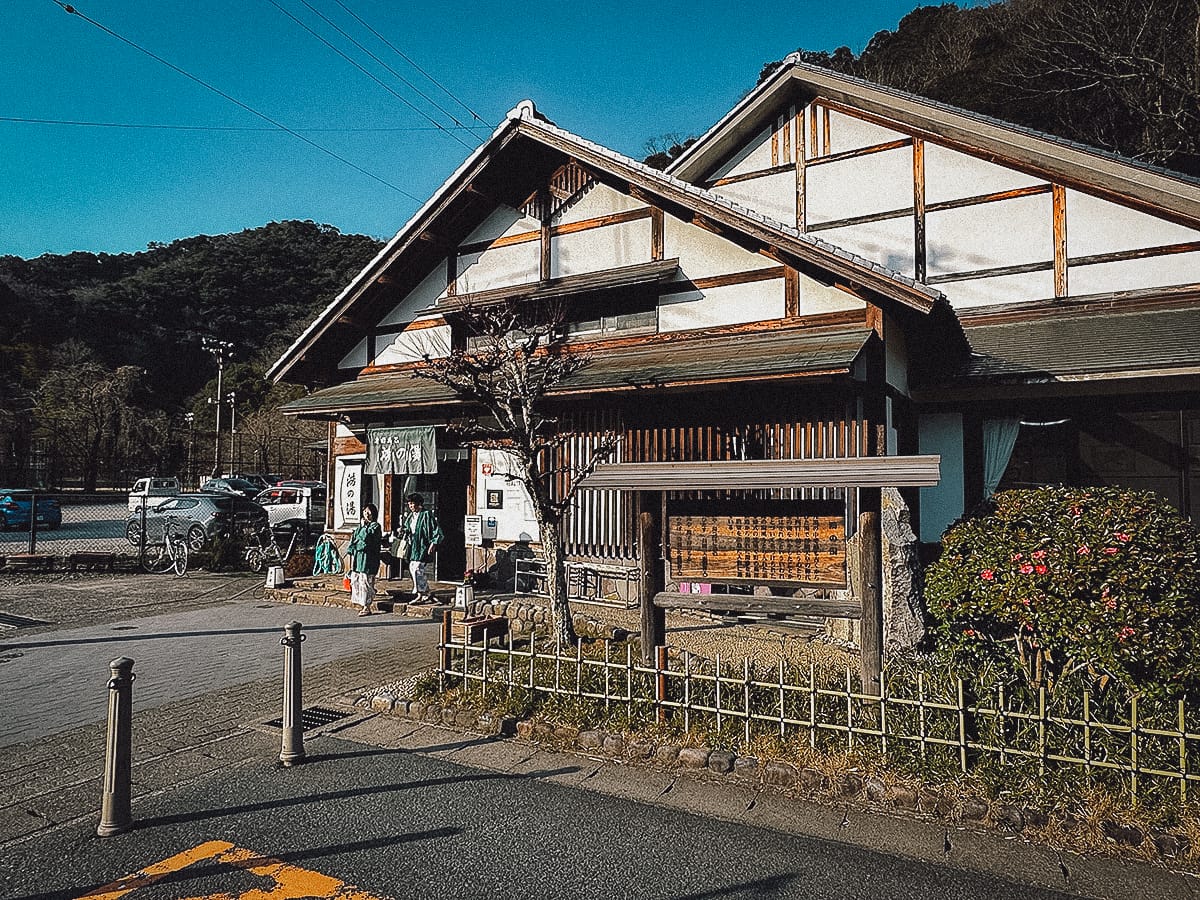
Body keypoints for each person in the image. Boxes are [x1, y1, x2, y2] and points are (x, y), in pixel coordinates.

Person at [398, 493, 444, 604]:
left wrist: (433, 543)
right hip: (413, 544)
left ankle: (421, 593)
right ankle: (425, 592)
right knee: (413, 567)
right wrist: (403, 530)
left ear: (418, 504)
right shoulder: (411, 516)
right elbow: (407, 527)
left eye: (412, 503)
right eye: (409, 504)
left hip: (423, 544)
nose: (411, 506)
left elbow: (436, 530)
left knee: (417, 568)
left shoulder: (426, 514)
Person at [346, 503, 383, 616]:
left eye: (369, 512)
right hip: (358, 559)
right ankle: (362, 602)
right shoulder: (360, 528)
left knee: (366, 581)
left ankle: (367, 606)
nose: (367, 514)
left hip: (369, 559)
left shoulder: (375, 526)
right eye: (365, 512)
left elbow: (366, 539)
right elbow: (354, 541)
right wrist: (351, 549)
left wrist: (364, 528)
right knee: (357, 580)